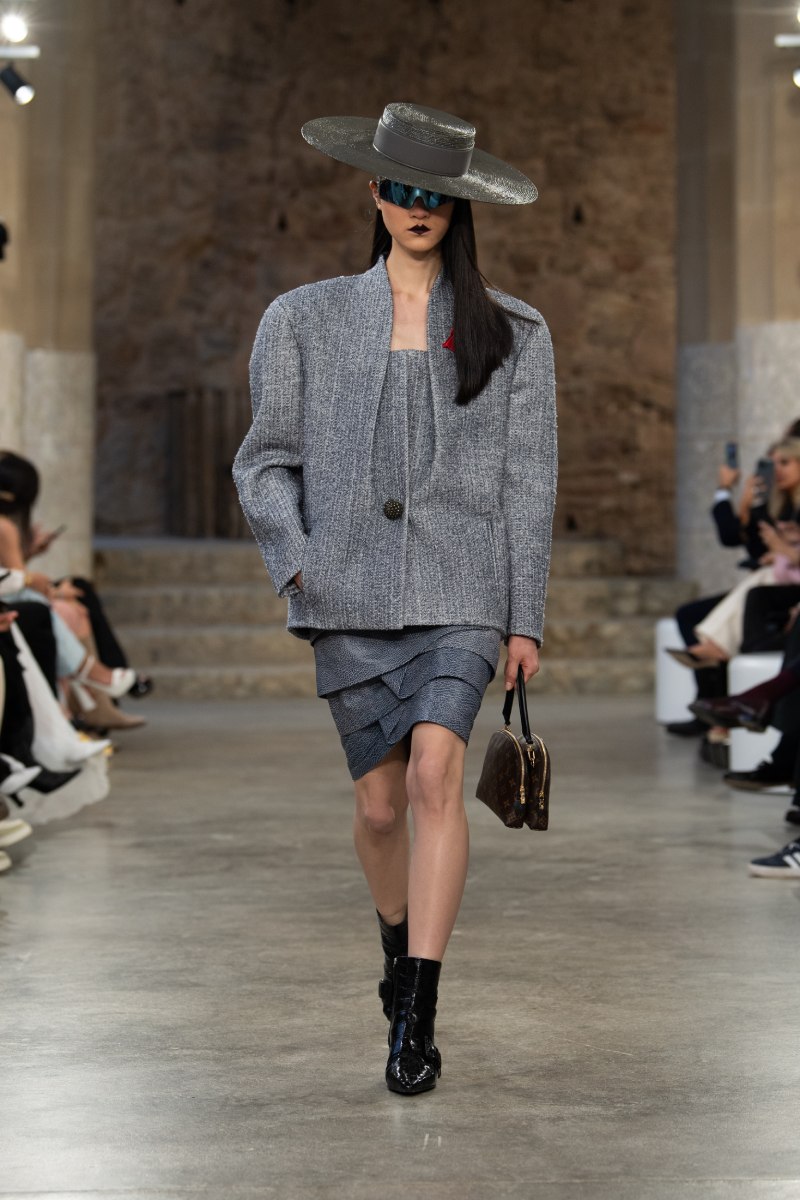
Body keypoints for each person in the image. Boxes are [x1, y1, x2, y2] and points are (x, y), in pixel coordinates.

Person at [233, 103, 557, 1095]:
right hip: (347, 594)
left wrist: (523, 615)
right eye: (403, 190)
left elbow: (527, 483)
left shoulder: (514, 332)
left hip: (462, 587)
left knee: (432, 778)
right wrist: (298, 562)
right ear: (375, 193)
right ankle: (393, 943)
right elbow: (264, 461)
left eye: (436, 195)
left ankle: (417, 1011)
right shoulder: (301, 319)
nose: (419, 209)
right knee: (379, 809)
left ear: (458, 207)